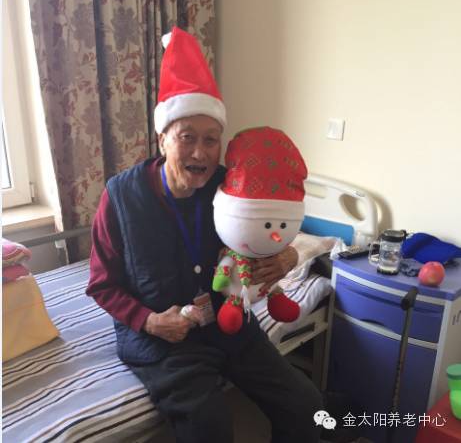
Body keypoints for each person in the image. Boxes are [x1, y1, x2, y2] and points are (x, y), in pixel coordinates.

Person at [87, 26, 322, 443]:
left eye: (211, 140)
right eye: (187, 138)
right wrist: (148, 321)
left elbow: (271, 232)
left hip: (228, 321)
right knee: (208, 427)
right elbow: (102, 284)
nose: (200, 152)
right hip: (164, 338)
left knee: (306, 406)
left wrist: (287, 257)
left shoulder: (232, 189)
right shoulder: (121, 197)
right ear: (162, 139)